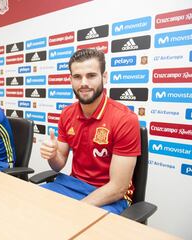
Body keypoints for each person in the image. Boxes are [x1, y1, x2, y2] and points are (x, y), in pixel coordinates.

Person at [40, 49, 141, 214]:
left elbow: (118, 187)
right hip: (73, 185)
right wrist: (52, 155)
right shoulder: (67, 114)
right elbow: (58, 166)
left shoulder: (125, 119)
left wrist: (77, 208)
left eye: (91, 75)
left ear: (104, 77)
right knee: (33, 203)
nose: (83, 83)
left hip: (111, 197)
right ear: (70, 79)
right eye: (77, 77)